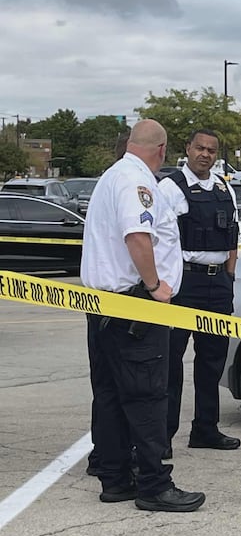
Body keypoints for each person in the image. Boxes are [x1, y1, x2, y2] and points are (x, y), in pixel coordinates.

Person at [81, 119, 206, 512]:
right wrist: (154, 285)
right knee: (148, 397)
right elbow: (138, 236)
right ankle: (154, 485)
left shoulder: (112, 176)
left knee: (110, 396)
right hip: (134, 307)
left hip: (104, 306)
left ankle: (116, 478)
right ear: (162, 150)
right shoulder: (137, 182)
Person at [159, 129, 240, 457]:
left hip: (217, 283)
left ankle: (206, 429)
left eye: (211, 150)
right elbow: (158, 238)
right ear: (188, 149)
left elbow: (232, 234)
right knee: (171, 362)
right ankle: (162, 438)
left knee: (212, 360)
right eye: (200, 148)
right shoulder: (170, 188)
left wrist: (229, 275)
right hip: (184, 282)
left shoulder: (223, 187)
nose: (205, 154)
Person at [86, 128, 132, 477]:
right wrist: (155, 285)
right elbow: (138, 240)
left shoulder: (106, 183)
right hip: (120, 301)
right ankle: (114, 464)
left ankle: (102, 456)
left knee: (105, 387)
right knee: (123, 388)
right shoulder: (127, 185)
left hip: (99, 299)